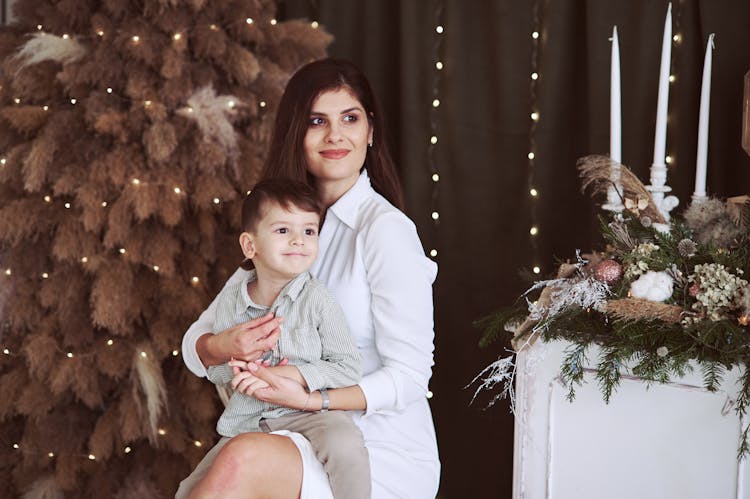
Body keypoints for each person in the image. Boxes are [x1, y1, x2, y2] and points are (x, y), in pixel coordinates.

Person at [178, 58, 440, 499]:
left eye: (350, 119)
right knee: (199, 484)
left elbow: (410, 378)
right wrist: (225, 345)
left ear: (370, 131)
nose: (335, 135)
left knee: (239, 461)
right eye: (317, 121)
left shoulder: (385, 232)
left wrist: (311, 398)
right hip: (283, 428)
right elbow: (195, 344)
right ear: (296, 132)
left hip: (371, 446)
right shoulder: (280, 223)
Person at [190, 178, 370, 499]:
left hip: (310, 416)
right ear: (250, 245)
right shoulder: (232, 301)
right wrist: (240, 366)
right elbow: (216, 372)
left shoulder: (318, 300)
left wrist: (295, 375)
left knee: (344, 442)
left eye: (309, 231)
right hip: (247, 418)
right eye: (284, 231)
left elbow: (348, 367)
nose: (299, 241)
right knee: (191, 488)